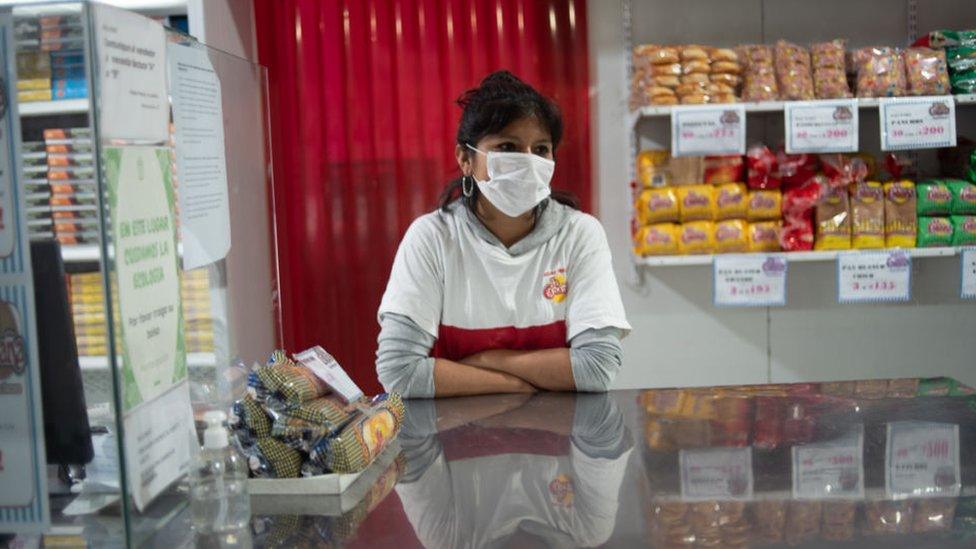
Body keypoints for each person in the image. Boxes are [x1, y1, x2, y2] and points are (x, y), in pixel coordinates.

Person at [375, 71, 630, 398]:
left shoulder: (579, 234)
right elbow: (399, 372)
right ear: (465, 159)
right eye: (507, 146)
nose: (527, 161)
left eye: (540, 149)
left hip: (560, 443)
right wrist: (513, 385)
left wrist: (487, 360)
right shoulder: (433, 238)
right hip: (452, 443)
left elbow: (597, 367)